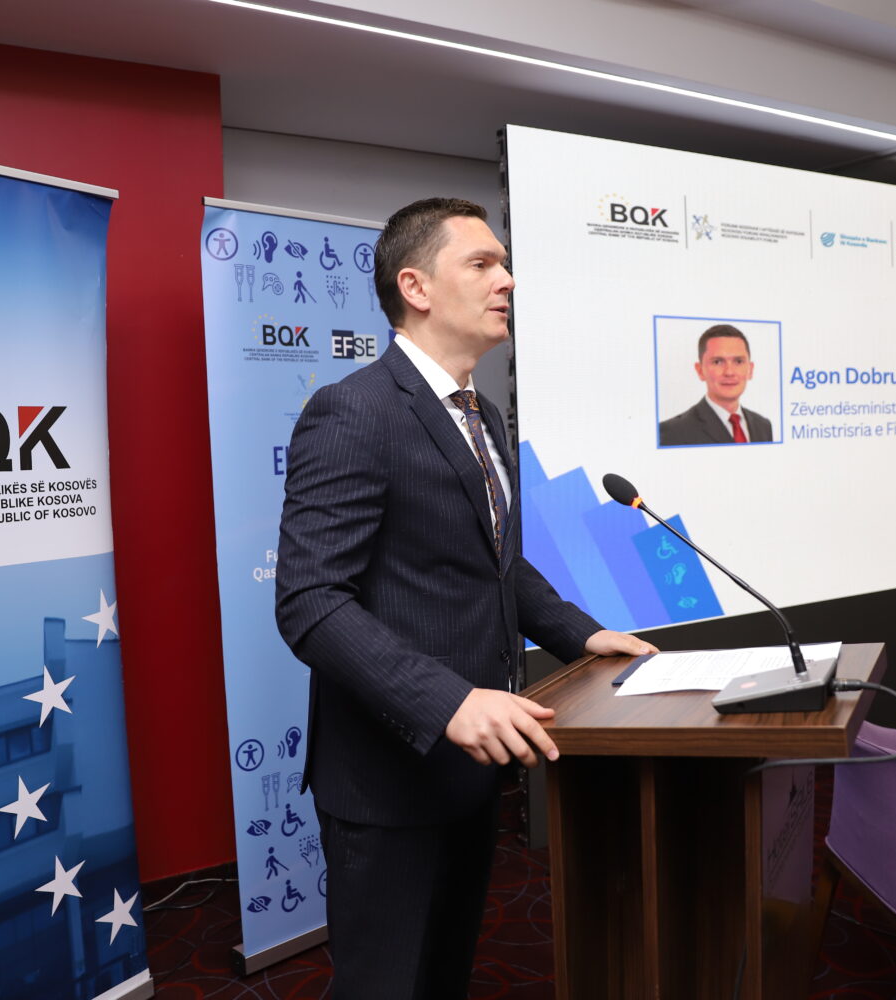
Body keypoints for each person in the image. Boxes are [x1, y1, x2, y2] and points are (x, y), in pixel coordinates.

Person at [275, 198, 654, 999]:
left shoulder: (483, 416)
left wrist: (583, 635)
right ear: (415, 286)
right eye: (482, 264)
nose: (506, 280)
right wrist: (447, 702)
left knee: (445, 977)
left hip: (472, 765)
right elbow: (310, 601)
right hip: (390, 775)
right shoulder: (354, 410)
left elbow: (494, 562)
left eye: (505, 264)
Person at [658, 324, 774, 446]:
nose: (729, 372)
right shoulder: (671, 433)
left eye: (738, 361)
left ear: (750, 370)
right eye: (717, 362)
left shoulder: (764, 426)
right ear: (700, 371)